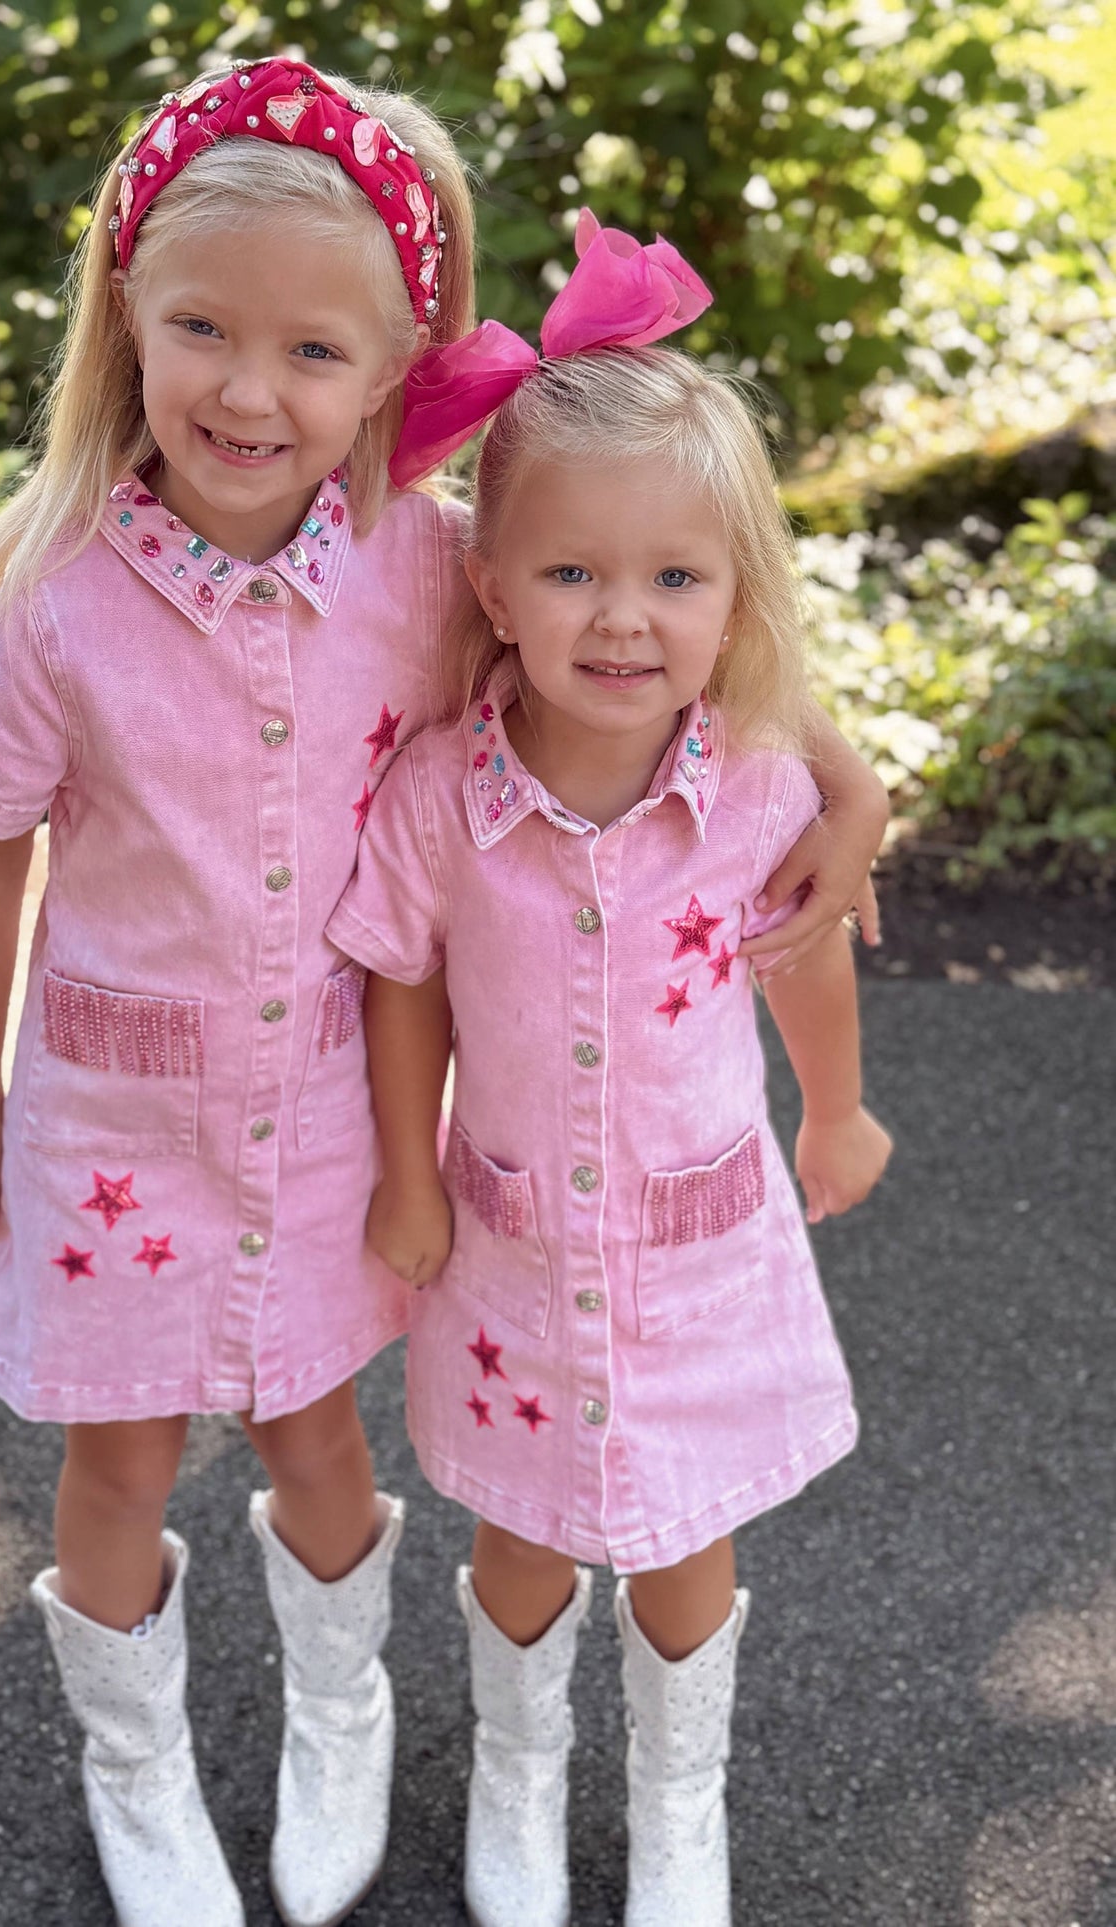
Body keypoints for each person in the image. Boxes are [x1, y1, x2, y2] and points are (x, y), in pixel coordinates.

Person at [0, 47, 884, 1921]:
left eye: (314, 354)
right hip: (121, 1118)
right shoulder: (60, 599)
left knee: (317, 1424)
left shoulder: (423, 571)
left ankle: (335, 1719)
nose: (249, 392)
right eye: (201, 329)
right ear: (129, 313)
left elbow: (646, 617)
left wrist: (836, 765)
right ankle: (139, 1766)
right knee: (117, 1451)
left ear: (390, 362)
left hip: (336, 1112)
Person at [327, 215, 894, 1927]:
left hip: (699, 1243)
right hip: (504, 1246)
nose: (622, 620)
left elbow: (800, 954)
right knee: (515, 1524)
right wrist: (408, 1172)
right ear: (492, 588)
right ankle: (514, 1779)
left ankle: (678, 1801)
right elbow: (402, 985)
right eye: (571, 574)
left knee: (679, 1532)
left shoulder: (755, 794)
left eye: (672, 579)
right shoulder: (441, 794)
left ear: (732, 603)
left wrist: (841, 1106)